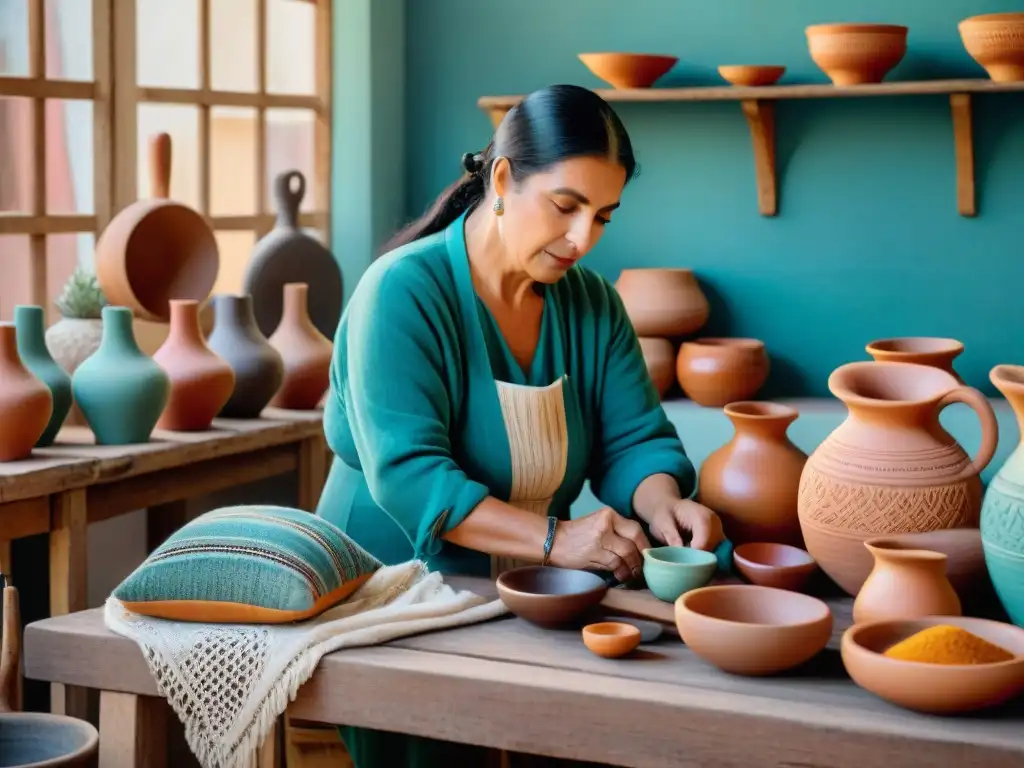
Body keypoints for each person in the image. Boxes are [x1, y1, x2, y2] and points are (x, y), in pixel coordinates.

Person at [317, 83, 725, 767]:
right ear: (502, 179)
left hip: (533, 592)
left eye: (603, 217)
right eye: (566, 207)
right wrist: (557, 538)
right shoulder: (402, 292)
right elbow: (415, 479)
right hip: (390, 595)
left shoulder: (592, 305)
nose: (582, 240)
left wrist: (665, 506)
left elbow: (635, 439)